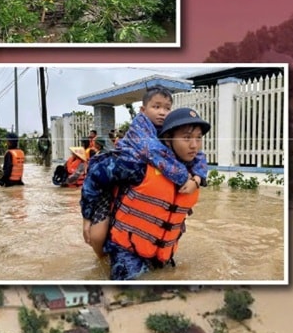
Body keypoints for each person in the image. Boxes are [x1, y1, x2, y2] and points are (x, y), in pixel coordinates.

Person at [81, 86, 209, 259]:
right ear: (143, 110)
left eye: (167, 108)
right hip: (112, 180)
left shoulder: (169, 132)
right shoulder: (141, 132)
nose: (162, 112)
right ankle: (101, 259)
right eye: (156, 107)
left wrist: (198, 178)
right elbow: (156, 153)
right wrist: (87, 217)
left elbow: (199, 156)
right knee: (97, 235)